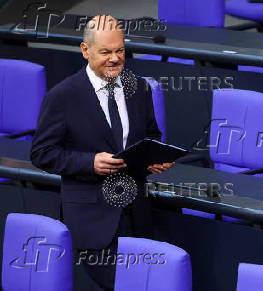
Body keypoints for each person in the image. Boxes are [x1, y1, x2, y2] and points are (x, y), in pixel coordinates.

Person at [31, 15, 173, 290]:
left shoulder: (138, 87)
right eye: (106, 52)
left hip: (138, 215)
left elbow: (151, 135)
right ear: (85, 50)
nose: (115, 59)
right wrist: (89, 163)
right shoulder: (63, 96)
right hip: (93, 219)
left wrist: (153, 159)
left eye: (120, 50)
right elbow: (42, 153)